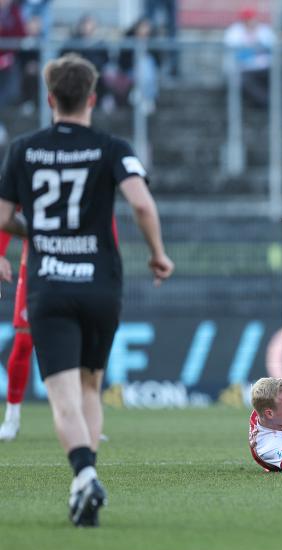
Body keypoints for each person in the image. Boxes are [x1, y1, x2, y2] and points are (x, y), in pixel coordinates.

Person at [0, 53, 174, 525]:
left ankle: (83, 475)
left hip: (49, 284)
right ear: (93, 98)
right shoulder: (112, 146)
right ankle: (87, 477)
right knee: (90, 387)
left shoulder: (24, 149)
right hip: (100, 284)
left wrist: (34, 232)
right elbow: (140, 202)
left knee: (63, 399)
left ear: (50, 98)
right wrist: (157, 252)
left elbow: (1, 217)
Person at [0, 228, 31, 441]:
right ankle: (12, 416)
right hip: (36, 266)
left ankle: (84, 419)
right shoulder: (28, 191)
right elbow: (7, 213)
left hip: (79, 264)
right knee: (23, 341)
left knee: (80, 341)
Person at [223, 8, 275, 109]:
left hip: (264, 68)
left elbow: (272, 49)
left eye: (252, 19)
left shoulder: (264, 30)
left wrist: (253, 52)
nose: (250, 22)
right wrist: (254, 52)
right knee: (245, 81)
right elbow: (236, 55)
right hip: (245, 69)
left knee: (280, 71)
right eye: (247, 20)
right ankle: (266, 102)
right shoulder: (234, 32)